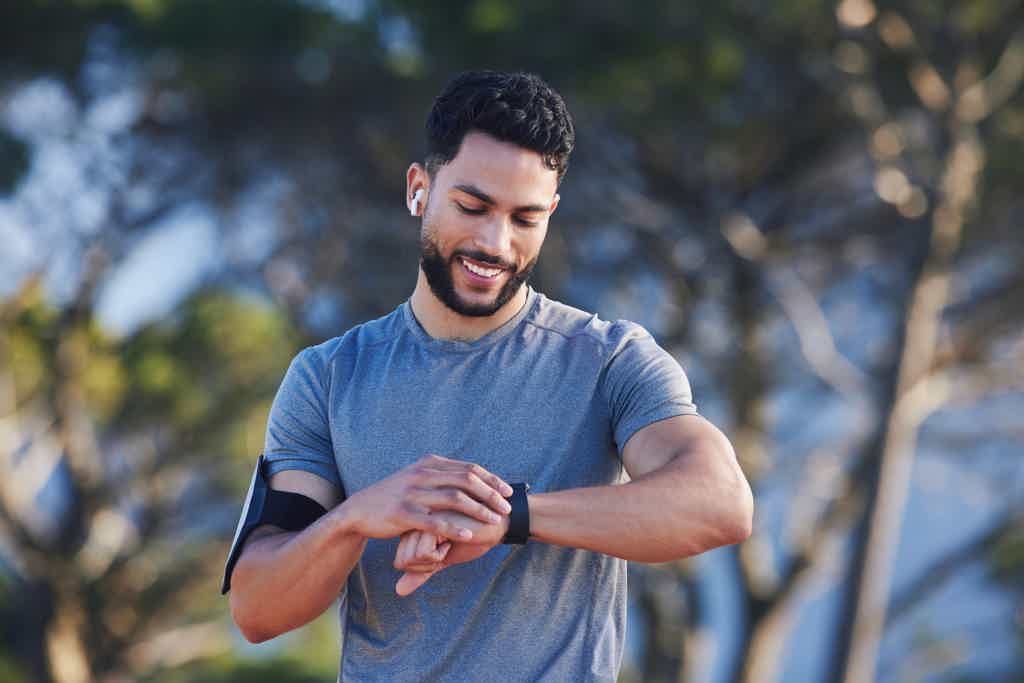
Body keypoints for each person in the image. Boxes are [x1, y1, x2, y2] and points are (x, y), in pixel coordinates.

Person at [225, 69, 753, 682]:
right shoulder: (327, 377)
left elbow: (721, 505)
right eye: (472, 207)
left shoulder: (610, 360)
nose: (494, 242)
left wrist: (510, 518)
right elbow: (256, 609)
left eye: (524, 219)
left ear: (552, 212)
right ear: (419, 188)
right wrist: (356, 517)